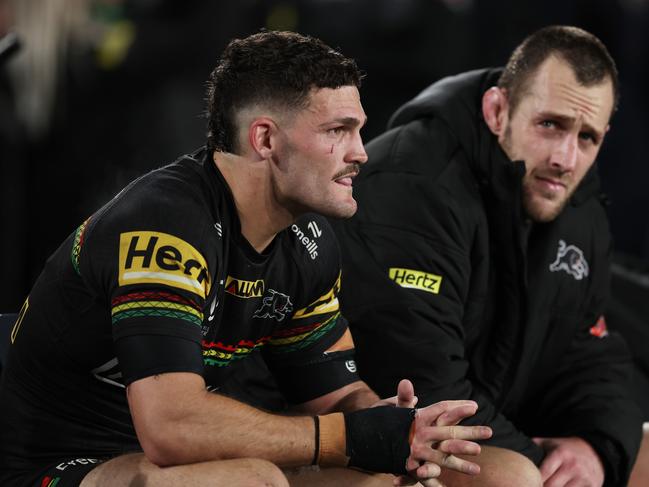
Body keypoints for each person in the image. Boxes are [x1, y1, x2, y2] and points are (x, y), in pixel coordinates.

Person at [0, 31, 493, 487]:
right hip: (58, 463)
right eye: (338, 131)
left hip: (171, 460)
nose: (361, 153)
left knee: (395, 479)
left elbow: (337, 397)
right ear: (265, 139)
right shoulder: (167, 224)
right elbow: (171, 426)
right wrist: (349, 437)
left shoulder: (309, 242)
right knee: (252, 482)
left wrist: (395, 428)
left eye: (359, 130)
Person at [333, 25, 647, 487]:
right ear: (497, 110)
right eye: (551, 125)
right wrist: (538, 460)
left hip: (501, 424)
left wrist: (595, 449)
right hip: (391, 440)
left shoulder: (569, 195)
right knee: (516, 479)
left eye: (587, 138)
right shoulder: (414, 186)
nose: (566, 156)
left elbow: (589, 351)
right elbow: (428, 386)